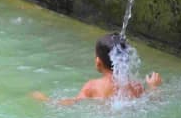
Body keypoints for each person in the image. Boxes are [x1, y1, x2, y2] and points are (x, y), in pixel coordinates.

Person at [33, 33, 162, 104]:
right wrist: (153, 87)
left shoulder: (92, 86)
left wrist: (47, 100)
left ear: (98, 62)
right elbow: (152, 101)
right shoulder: (135, 86)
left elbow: (73, 103)